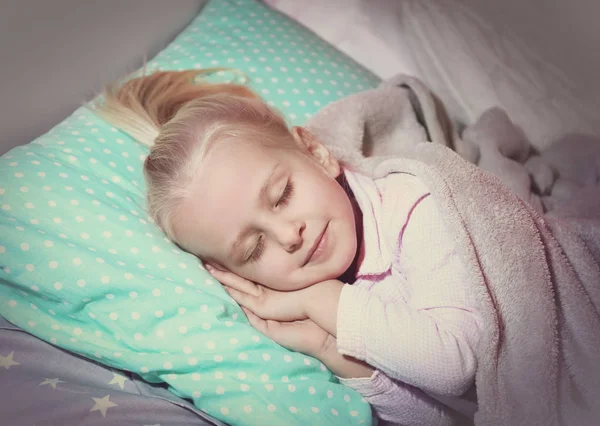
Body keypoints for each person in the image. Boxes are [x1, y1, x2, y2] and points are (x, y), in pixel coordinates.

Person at [96, 69, 480, 425]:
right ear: (233, 274)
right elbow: (451, 417)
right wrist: (329, 348)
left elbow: (455, 367)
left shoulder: (411, 205)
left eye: (283, 195)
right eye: (253, 248)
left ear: (315, 152)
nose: (289, 235)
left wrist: (320, 299)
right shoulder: (323, 317)